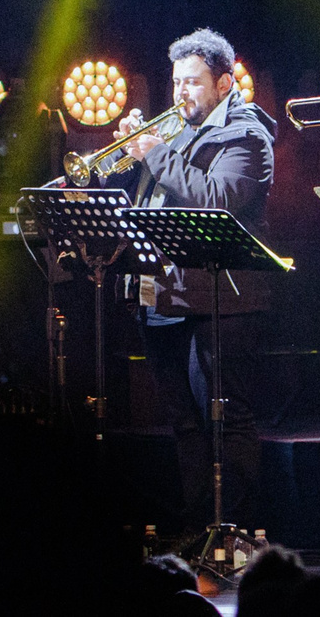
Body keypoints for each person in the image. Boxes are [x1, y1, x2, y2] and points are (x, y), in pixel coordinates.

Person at [108, 28, 277, 539]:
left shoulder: (248, 135)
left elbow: (215, 199)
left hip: (220, 299)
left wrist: (154, 152)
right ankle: (199, 525)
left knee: (228, 416)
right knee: (182, 419)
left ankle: (237, 529)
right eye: (177, 82)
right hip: (164, 294)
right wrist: (132, 155)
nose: (181, 93)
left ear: (225, 84)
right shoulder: (179, 133)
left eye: (193, 83)